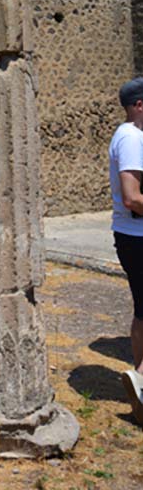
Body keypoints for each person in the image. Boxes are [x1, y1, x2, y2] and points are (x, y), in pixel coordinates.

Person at [111, 76, 143, 423]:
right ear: (139, 105)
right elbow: (132, 197)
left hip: (132, 234)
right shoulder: (132, 139)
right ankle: (141, 379)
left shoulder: (132, 136)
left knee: (142, 310)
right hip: (138, 234)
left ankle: (140, 379)